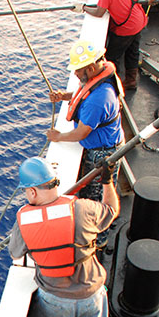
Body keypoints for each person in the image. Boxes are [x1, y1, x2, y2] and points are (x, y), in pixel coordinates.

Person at [8, 156, 119, 317]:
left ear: (33, 190)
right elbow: (111, 211)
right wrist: (108, 180)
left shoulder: (25, 218)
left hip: (54, 302)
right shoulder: (83, 208)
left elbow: (15, 253)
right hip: (92, 296)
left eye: (26, 190)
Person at [46, 39, 123, 224]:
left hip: (102, 153)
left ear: (89, 68)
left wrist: (59, 137)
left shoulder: (99, 99)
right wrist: (63, 96)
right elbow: (82, 93)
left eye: (78, 69)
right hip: (103, 145)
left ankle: (99, 237)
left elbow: (81, 133)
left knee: (94, 198)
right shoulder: (97, 79)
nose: (75, 73)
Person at [82, 0, 155, 90]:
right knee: (132, 52)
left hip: (127, 28)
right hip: (138, 21)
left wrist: (84, 8)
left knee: (112, 58)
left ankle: (114, 87)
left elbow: (99, 12)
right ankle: (131, 80)